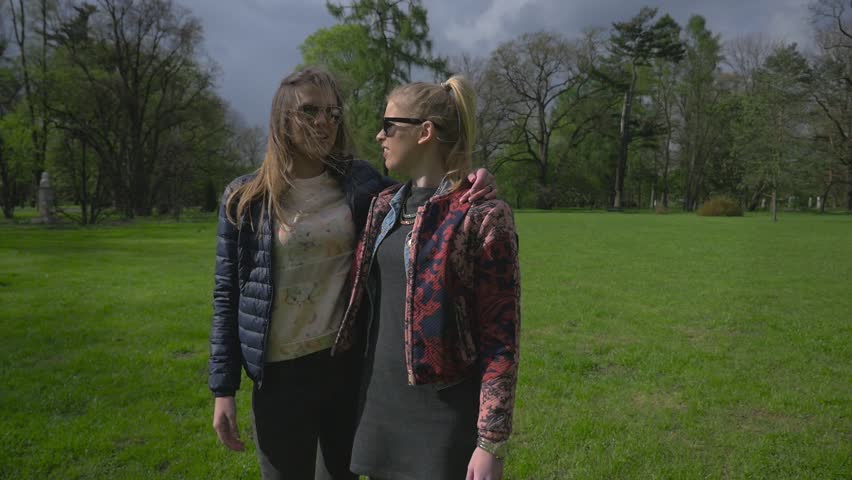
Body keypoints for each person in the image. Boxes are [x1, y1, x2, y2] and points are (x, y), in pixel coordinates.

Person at [208, 66, 496, 480]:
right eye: (310, 111)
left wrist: (470, 178)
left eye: (333, 112)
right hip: (279, 376)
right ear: (283, 118)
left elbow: (425, 187)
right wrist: (223, 388)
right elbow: (227, 294)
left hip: (345, 368)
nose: (324, 122)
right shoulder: (245, 198)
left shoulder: (360, 184)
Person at [332, 75, 521, 480]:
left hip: (443, 414)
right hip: (377, 405)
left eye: (388, 125)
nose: (379, 136)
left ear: (425, 132)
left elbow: (501, 334)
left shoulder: (481, 216)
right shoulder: (382, 206)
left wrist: (491, 440)